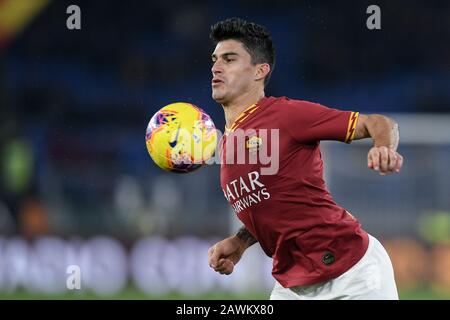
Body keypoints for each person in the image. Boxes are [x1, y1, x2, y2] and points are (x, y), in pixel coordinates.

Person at [207, 17, 403, 300]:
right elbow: (271, 203)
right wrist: (240, 241)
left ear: (260, 71)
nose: (216, 67)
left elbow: (379, 122)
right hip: (293, 286)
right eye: (214, 59)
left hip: (354, 275)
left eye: (229, 59)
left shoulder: (287, 115)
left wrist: (384, 147)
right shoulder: (229, 143)